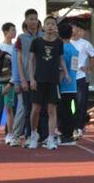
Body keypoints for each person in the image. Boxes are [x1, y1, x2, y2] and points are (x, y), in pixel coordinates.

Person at [27, 16, 68, 150]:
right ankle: (33, 134)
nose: (50, 26)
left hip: (53, 80)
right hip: (39, 80)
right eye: (48, 24)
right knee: (35, 109)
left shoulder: (59, 43)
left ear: (56, 27)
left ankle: (51, 138)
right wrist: (32, 78)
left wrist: (66, 73)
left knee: (52, 110)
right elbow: (31, 60)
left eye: (53, 24)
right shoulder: (37, 42)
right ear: (43, 27)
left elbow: (61, 59)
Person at [13, 10, 43, 146]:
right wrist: (22, 80)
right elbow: (18, 60)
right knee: (28, 110)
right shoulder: (21, 38)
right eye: (31, 19)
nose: (33, 21)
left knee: (42, 110)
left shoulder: (44, 37)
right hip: (27, 79)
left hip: (41, 78)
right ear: (26, 21)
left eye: (35, 19)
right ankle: (28, 135)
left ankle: (42, 136)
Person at [72, 23, 94, 137]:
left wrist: (88, 68)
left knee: (80, 103)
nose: (73, 30)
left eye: (74, 28)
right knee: (66, 103)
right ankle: (68, 126)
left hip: (80, 77)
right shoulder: (66, 42)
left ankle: (78, 127)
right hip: (67, 77)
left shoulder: (85, 43)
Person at [57, 22, 79, 145]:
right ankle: (69, 134)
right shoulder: (74, 49)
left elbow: (62, 68)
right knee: (68, 111)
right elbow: (74, 67)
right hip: (73, 85)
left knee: (63, 112)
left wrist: (58, 83)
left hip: (64, 85)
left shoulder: (63, 49)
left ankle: (66, 135)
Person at [0, 23, 19, 144]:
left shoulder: (15, 47)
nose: (14, 32)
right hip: (0, 81)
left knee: (11, 108)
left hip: (13, 81)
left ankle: (10, 133)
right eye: (12, 30)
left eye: (15, 30)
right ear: (6, 32)